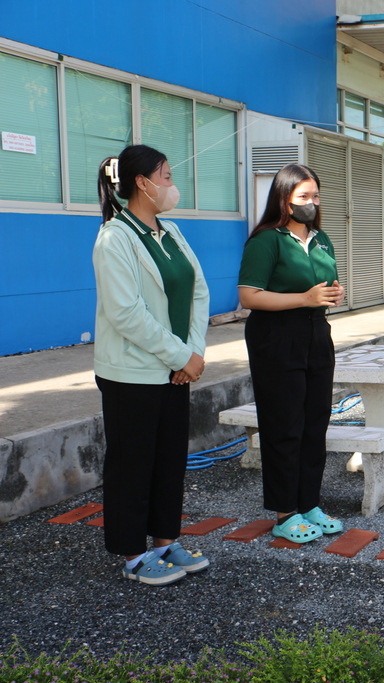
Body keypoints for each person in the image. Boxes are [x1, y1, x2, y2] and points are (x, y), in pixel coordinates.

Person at [93, 145, 211, 586]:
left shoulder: (171, 231)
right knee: (132, 465)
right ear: (142, 184)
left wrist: (192, 353)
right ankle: (133, 555)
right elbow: (126, 313)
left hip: (175, 370)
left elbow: (198, 291)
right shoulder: (115, 238)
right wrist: (181, 356)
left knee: (168, 462)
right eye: (166, 176)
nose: (172, 185)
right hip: (132, 373)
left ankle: (164, 542)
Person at [238, 164, 346, 544]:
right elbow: (249, 296)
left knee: (315, 422)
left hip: (316, 332)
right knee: (284, 425)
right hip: (276, 336)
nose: (311, 202)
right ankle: (285, 513)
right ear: (284, 200)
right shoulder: (267, 240)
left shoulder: (321, 239)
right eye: (304, 196)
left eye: (315, 195)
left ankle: (309, 503)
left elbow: (323, 285)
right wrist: (305, 298)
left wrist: (332, 294)